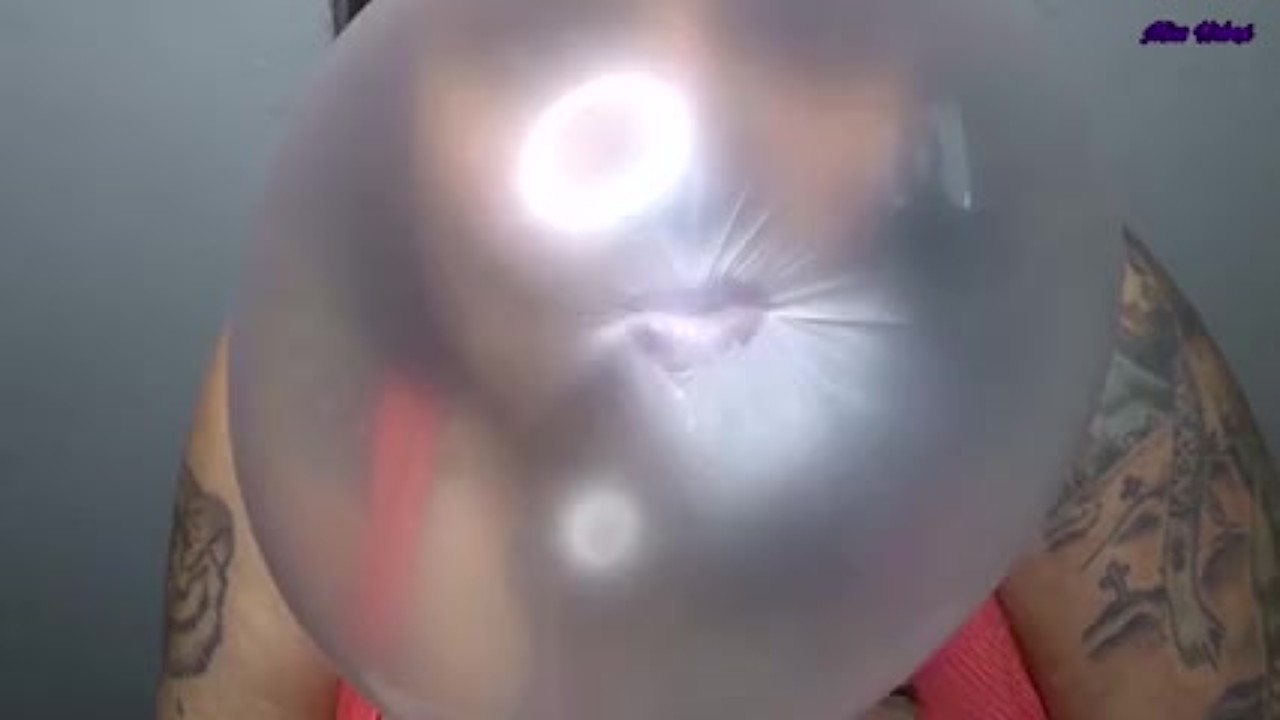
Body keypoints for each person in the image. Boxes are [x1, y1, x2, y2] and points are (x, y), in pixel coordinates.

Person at [154, 2, 1280, 718]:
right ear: (388, 102)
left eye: (804, 23)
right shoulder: (306, 396)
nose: (691, 166)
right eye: (548, 31)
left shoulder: (1089, 362)